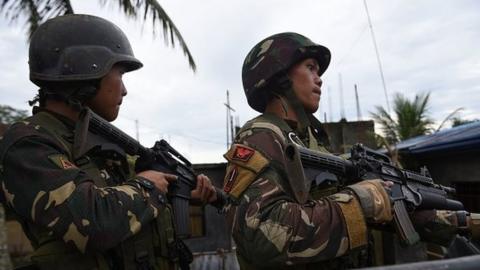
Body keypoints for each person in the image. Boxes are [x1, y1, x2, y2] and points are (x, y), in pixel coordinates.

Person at [222, 32, 479, 269]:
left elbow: (382, 217)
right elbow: (258, 237)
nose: (319, 77)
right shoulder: (260, 136)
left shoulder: (309, 141)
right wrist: (360, 201)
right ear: (278, 76)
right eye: (310, 68)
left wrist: (462, 222)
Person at [0, 14, 219, 270]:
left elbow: (125, 204)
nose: (124, 90)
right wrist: (150, 186)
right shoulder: (27, 144)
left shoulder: (99, 144)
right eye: (120, 74)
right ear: (88, 70)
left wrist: (175, 195)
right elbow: (91, 222)